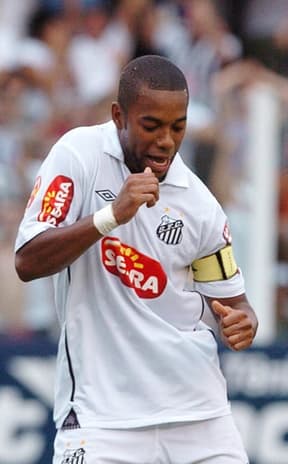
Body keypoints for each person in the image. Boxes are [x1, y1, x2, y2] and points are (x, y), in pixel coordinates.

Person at [14, 55, 257, 464]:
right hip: (102, 420)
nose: (166, 141)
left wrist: (244, 322)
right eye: (152, 126)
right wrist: (110, 217)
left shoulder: (201, 206)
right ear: (118, 116)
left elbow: (232, 304)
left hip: (200, 417)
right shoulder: (78, 156)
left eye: (178, 127)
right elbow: (28, 260)